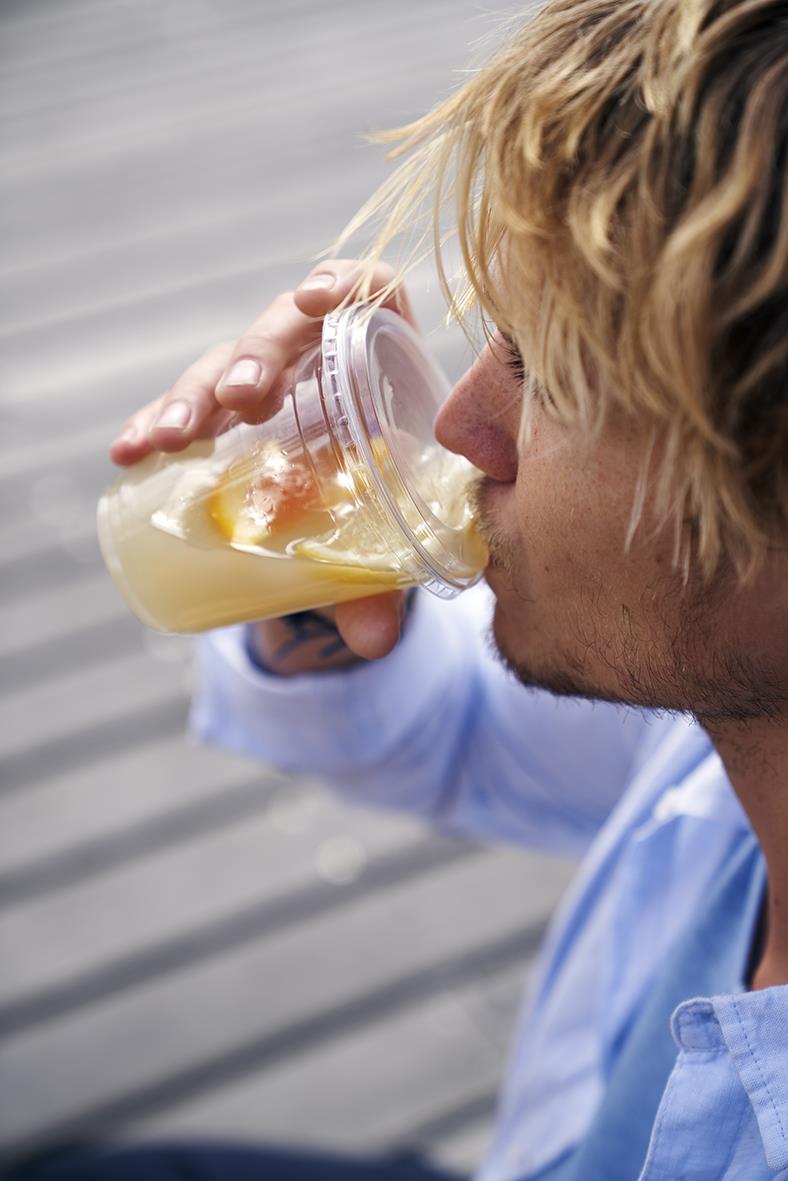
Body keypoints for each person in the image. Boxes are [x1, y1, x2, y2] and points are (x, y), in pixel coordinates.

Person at [26, 0, 788, 1177]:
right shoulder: (732, 724)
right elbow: (454, 735)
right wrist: (303, 579)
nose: (459, 421)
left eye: (550, 368)